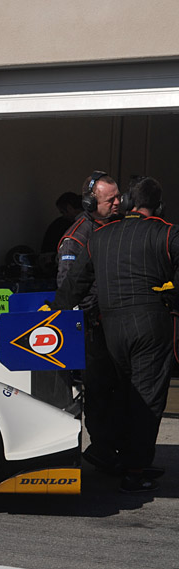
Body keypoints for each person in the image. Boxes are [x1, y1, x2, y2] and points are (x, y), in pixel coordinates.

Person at [54, 176, 178, 493]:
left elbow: (72, 287)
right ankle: (135, 470)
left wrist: (51, 314)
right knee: (147, 400)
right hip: (151, 327)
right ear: (159, 206)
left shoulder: (100, 237)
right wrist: (169, 299)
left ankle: (120, 457)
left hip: (111, 330)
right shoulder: (167, 233)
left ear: (125, 204)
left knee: (123, 396)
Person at [55, 172, 122, 475]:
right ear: (90, 202)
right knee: (98, 391)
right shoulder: (77, 237)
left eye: (119, 197)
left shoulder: (114, 228)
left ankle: (113, 446)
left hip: (114, 324)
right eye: (112, 199)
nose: (119, 203)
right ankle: (101, 449)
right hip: (92, 328)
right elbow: (69, 289)